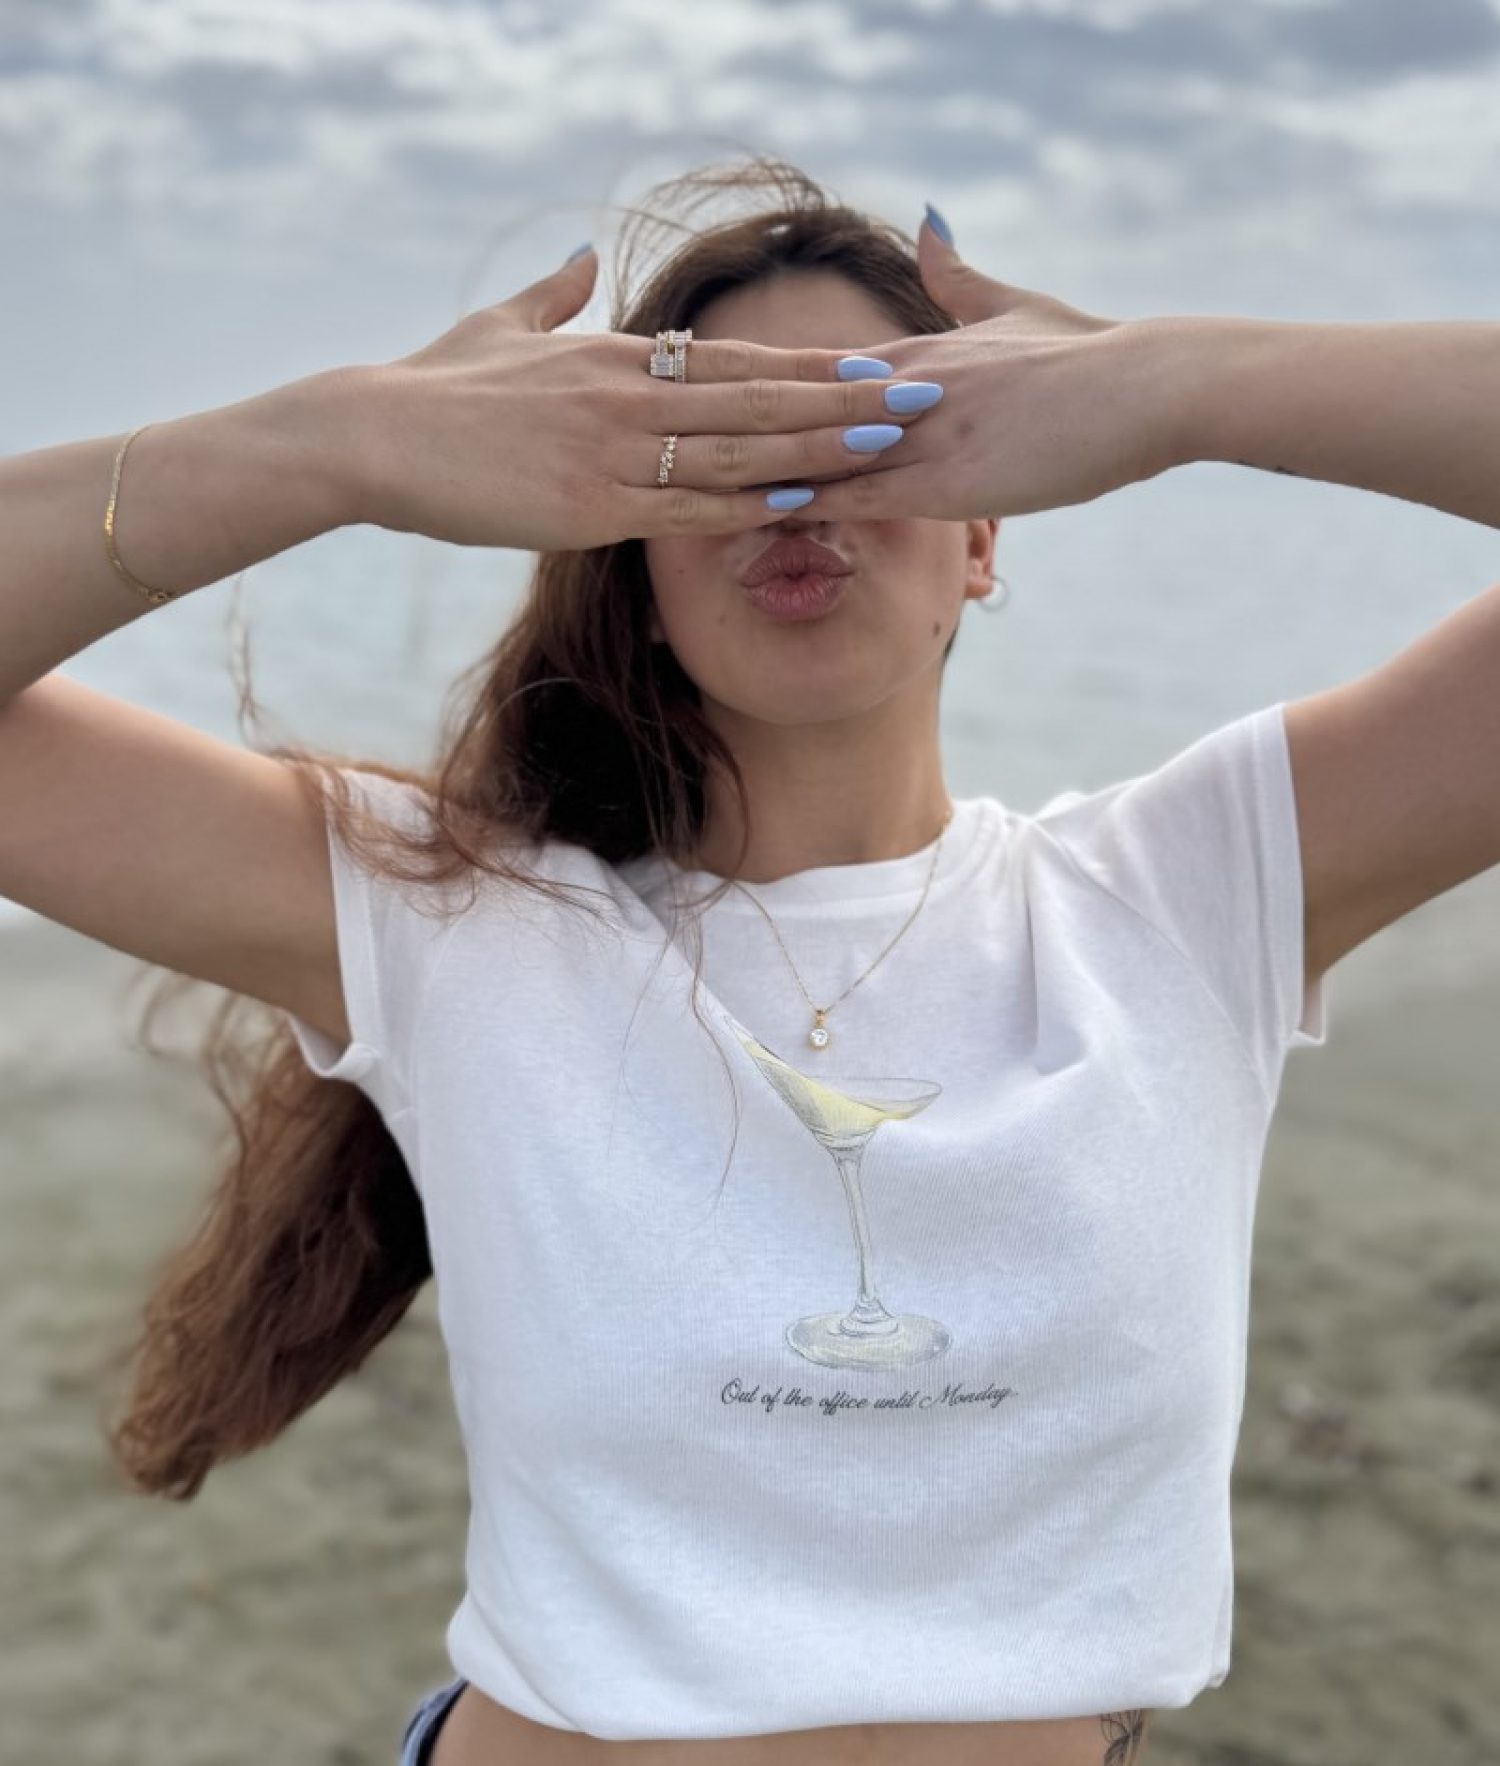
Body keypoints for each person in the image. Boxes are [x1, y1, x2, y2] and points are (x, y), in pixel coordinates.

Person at [4, 156, 1498, 1766]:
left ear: (984, 535)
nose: (795, 492)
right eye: (711, 449)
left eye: (875, 428)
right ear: (631, 560)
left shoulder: (1193, 890)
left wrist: (1181, 386)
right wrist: (340, 442)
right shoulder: (455, 922)